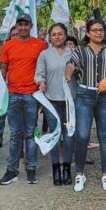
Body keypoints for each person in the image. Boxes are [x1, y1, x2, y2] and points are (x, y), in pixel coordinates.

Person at [66, 19, 106, 192]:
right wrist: (68, 73)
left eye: (101, 30)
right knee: (82, 135)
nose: (99, 33)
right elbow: (71, 65)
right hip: (84, 95)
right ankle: (80, 173)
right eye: (95, 30)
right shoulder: (80, 50)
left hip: (105, 96)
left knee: (104, 136)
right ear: (88, 33)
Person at [0, 13, 48, 185]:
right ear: (16, 26)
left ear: (31, 25)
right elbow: (3, 70)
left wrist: (43, 96)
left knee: (30, 133)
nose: (23, 28)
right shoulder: (8, 46)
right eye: (20, 24)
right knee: (14, 134)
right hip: (13, 95)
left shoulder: (41, 45)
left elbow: (45, 70)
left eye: (26, 24)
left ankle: (31, 168)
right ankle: (11, 171)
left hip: (32, 95)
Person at [34, 23, 75, 186]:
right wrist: (41, 83)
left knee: (69, 135)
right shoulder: (44, 54)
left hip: (69, 100)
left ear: (65, 36)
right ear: (50, 37)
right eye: (54, 34)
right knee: (55, 135)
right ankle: (55, 168)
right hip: (52, 100)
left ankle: (67, 168)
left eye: (60, 34)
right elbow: (39, 75)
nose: (57, 37)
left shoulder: (73, 53)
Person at [0, 24, 19, 150]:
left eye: (17, 34)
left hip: (17, 91)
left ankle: (17, 145)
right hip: (4, 90)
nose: (15, 37)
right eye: (13, 35)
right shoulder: (4, 50)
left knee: (16, 121)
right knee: (0, 116)